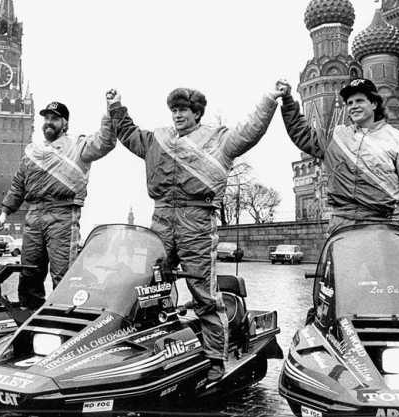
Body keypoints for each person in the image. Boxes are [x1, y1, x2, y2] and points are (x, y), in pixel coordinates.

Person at [105, 85, 284, 380]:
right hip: (161, 219)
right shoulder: (157, 139)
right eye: (174, 110)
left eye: (183, 110)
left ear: (197, 113)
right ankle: (147, 350)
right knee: (147, 286)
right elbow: (128, 132)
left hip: (197, 221)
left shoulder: (218, 139)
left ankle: (215, 359)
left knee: (204, 294)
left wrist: (268, 100)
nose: (177, 115)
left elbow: (250, 131)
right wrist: (115, 107)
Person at [0, 101, 116, 309]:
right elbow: (18, 184)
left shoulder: (78, 146)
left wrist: (111, 111)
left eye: (55, 118)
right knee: (29, 270)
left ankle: (65, 314)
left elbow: (104, 141)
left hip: (63, 214)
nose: (49, 122)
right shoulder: (33, 151)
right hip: (34, 215)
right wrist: (5, 212)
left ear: (65, 123)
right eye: (46, 118)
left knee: (63, 272)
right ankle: (29, 312)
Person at [279, 78, 399, 239]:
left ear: (374, 104)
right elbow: (303, 134)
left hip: (384, 226)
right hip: (342, 227)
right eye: (350, 103)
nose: (354, 106)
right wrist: (287, 100)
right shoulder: (337, 137)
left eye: (360, 101)